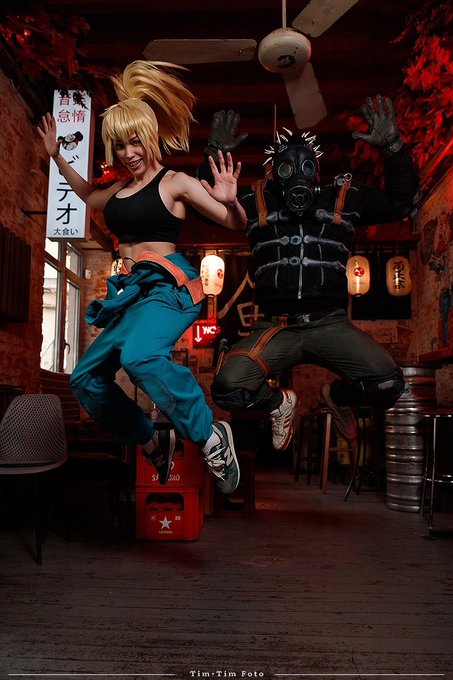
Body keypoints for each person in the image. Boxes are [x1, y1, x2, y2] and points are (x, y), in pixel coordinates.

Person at [37, 60, 247, 494]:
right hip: (130, 295)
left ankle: (209, 435)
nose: (128, 153)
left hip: (169, 288)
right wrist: (57, 155)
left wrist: (232, 200)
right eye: (119, 145)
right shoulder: (116, 190)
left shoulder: (176, 183)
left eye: (135, 141)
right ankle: (151, 442)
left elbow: (234, 222)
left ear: (150, 137)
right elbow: (86, 194)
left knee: (138, 358)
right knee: (85, 379)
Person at [203, 95, 420, 449]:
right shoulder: (254, 202)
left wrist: (394, 148)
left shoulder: (342, 198)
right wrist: (214, 156)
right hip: (275, 327)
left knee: (387, 383)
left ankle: (337, 396)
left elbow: (402, 201)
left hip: (329, 323)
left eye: (305, 166)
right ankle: (279, 404)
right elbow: (205, 203)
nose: (296, 175)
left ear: (316, 169)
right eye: (285, 170)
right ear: (273, 172)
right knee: (228, 388)